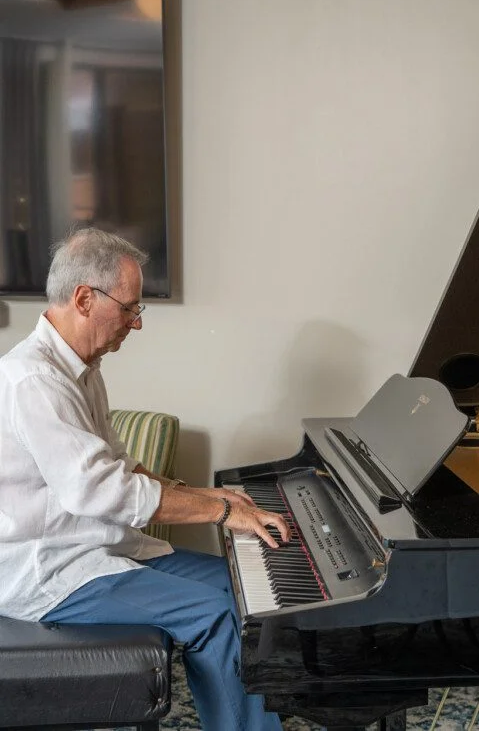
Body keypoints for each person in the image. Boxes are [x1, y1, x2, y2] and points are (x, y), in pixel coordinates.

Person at [0, 228, 291, 731]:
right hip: (50, 571)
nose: (136, 324)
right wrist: (222, 512)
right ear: (84, 298)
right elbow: (100, 491)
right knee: (218, 614)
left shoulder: (81, 368)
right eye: (130, 308)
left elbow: (119, 464)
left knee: (242, 588)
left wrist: (204, 494)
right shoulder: (35, 381)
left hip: (95, 548)